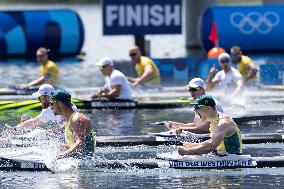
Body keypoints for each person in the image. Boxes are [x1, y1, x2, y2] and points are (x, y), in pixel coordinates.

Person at [178, 95, 243, 156]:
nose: (195, 110)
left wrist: (187, 152)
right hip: (224, 156)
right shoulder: (215, 120)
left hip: (233, 159)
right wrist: (193, 146)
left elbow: (211, 146)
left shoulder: (223, 123)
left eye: (197, 107)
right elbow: (212, 141)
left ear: (208, 109)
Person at [53, 89, 95, 158]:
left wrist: (61, 156)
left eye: (52, 103)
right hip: (76, 159)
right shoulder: (69, 119)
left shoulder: (77, 119)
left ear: (60, 104)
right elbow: (73, 145)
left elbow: (80, 144)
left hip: (83, 162)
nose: (51, 106)